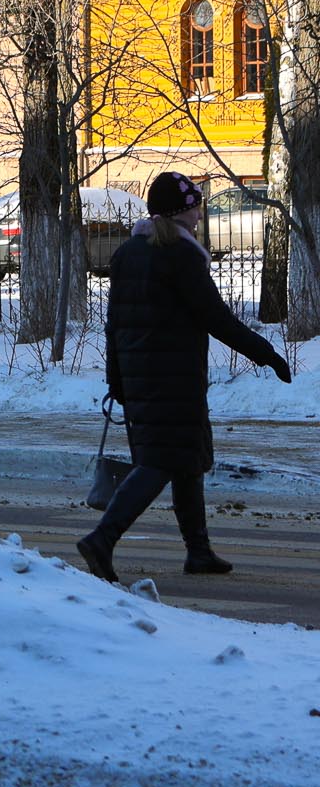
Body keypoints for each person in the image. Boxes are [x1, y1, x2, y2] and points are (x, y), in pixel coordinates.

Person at [78, 171, 294, 584]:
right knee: (162, 462)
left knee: (186, 461)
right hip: (174, 378)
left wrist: (117, 380)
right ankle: (102, 539)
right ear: (180, 213)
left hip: (142, 376)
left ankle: (198, 552)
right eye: (195, 206)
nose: (200, 213)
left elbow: (113, 325)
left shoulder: (128, 254)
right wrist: (266, 354)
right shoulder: (180, 255)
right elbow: (216, 319)